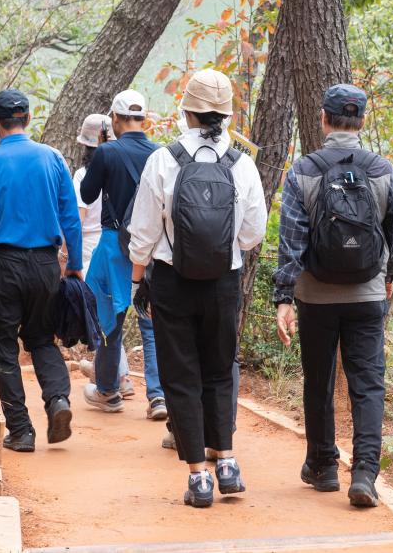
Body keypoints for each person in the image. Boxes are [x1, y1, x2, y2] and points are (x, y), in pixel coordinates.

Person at [128, 69, 268, 508]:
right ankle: (227, 462)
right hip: (224, 282)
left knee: (180, 375)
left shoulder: (164, 160)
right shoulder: (242, 164)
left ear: (185, 110)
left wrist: (138, 282)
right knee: (220, 368)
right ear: (227, 115)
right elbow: (253, 233)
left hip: (172, 281)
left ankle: (198, 477)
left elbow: (144, 233)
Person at [273, 83, 393, 508]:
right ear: (362, 122)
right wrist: (390, 275)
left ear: (324, 119)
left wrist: (284, 297)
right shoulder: (383, 170)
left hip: (316, 296)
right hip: (367, 294)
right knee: (368, 384)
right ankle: (365, 473)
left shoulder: (303, 172)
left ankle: (324, 466)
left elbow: (291, 241)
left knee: (319, 380)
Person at [0, 88, 83, 453]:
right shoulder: (53, 158)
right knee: (42, 339)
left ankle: (21, 430)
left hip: (4, 264)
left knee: (1, 347)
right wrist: (74, 264)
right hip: (46, 264)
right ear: (28, 119)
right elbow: (71, 218)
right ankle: (58, 399)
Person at [79, 90, 166, 420]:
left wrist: (102, 152)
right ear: (144, 119)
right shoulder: (161, 154)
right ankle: (158, 397)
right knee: (151, 326)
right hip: (153, 248)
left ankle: (108, 391)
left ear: (114, 120)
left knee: (109, 322)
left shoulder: (108, 152)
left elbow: (87, 194)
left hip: (115, 244)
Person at [72, 113, 134, 399]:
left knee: (104, 316)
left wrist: (67, 256)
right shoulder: (122, 167)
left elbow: (80, 218)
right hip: (118, 243)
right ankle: (116, 375)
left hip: (91, 249)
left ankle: (115, 377)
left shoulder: (84, 175)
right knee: (114, 312)